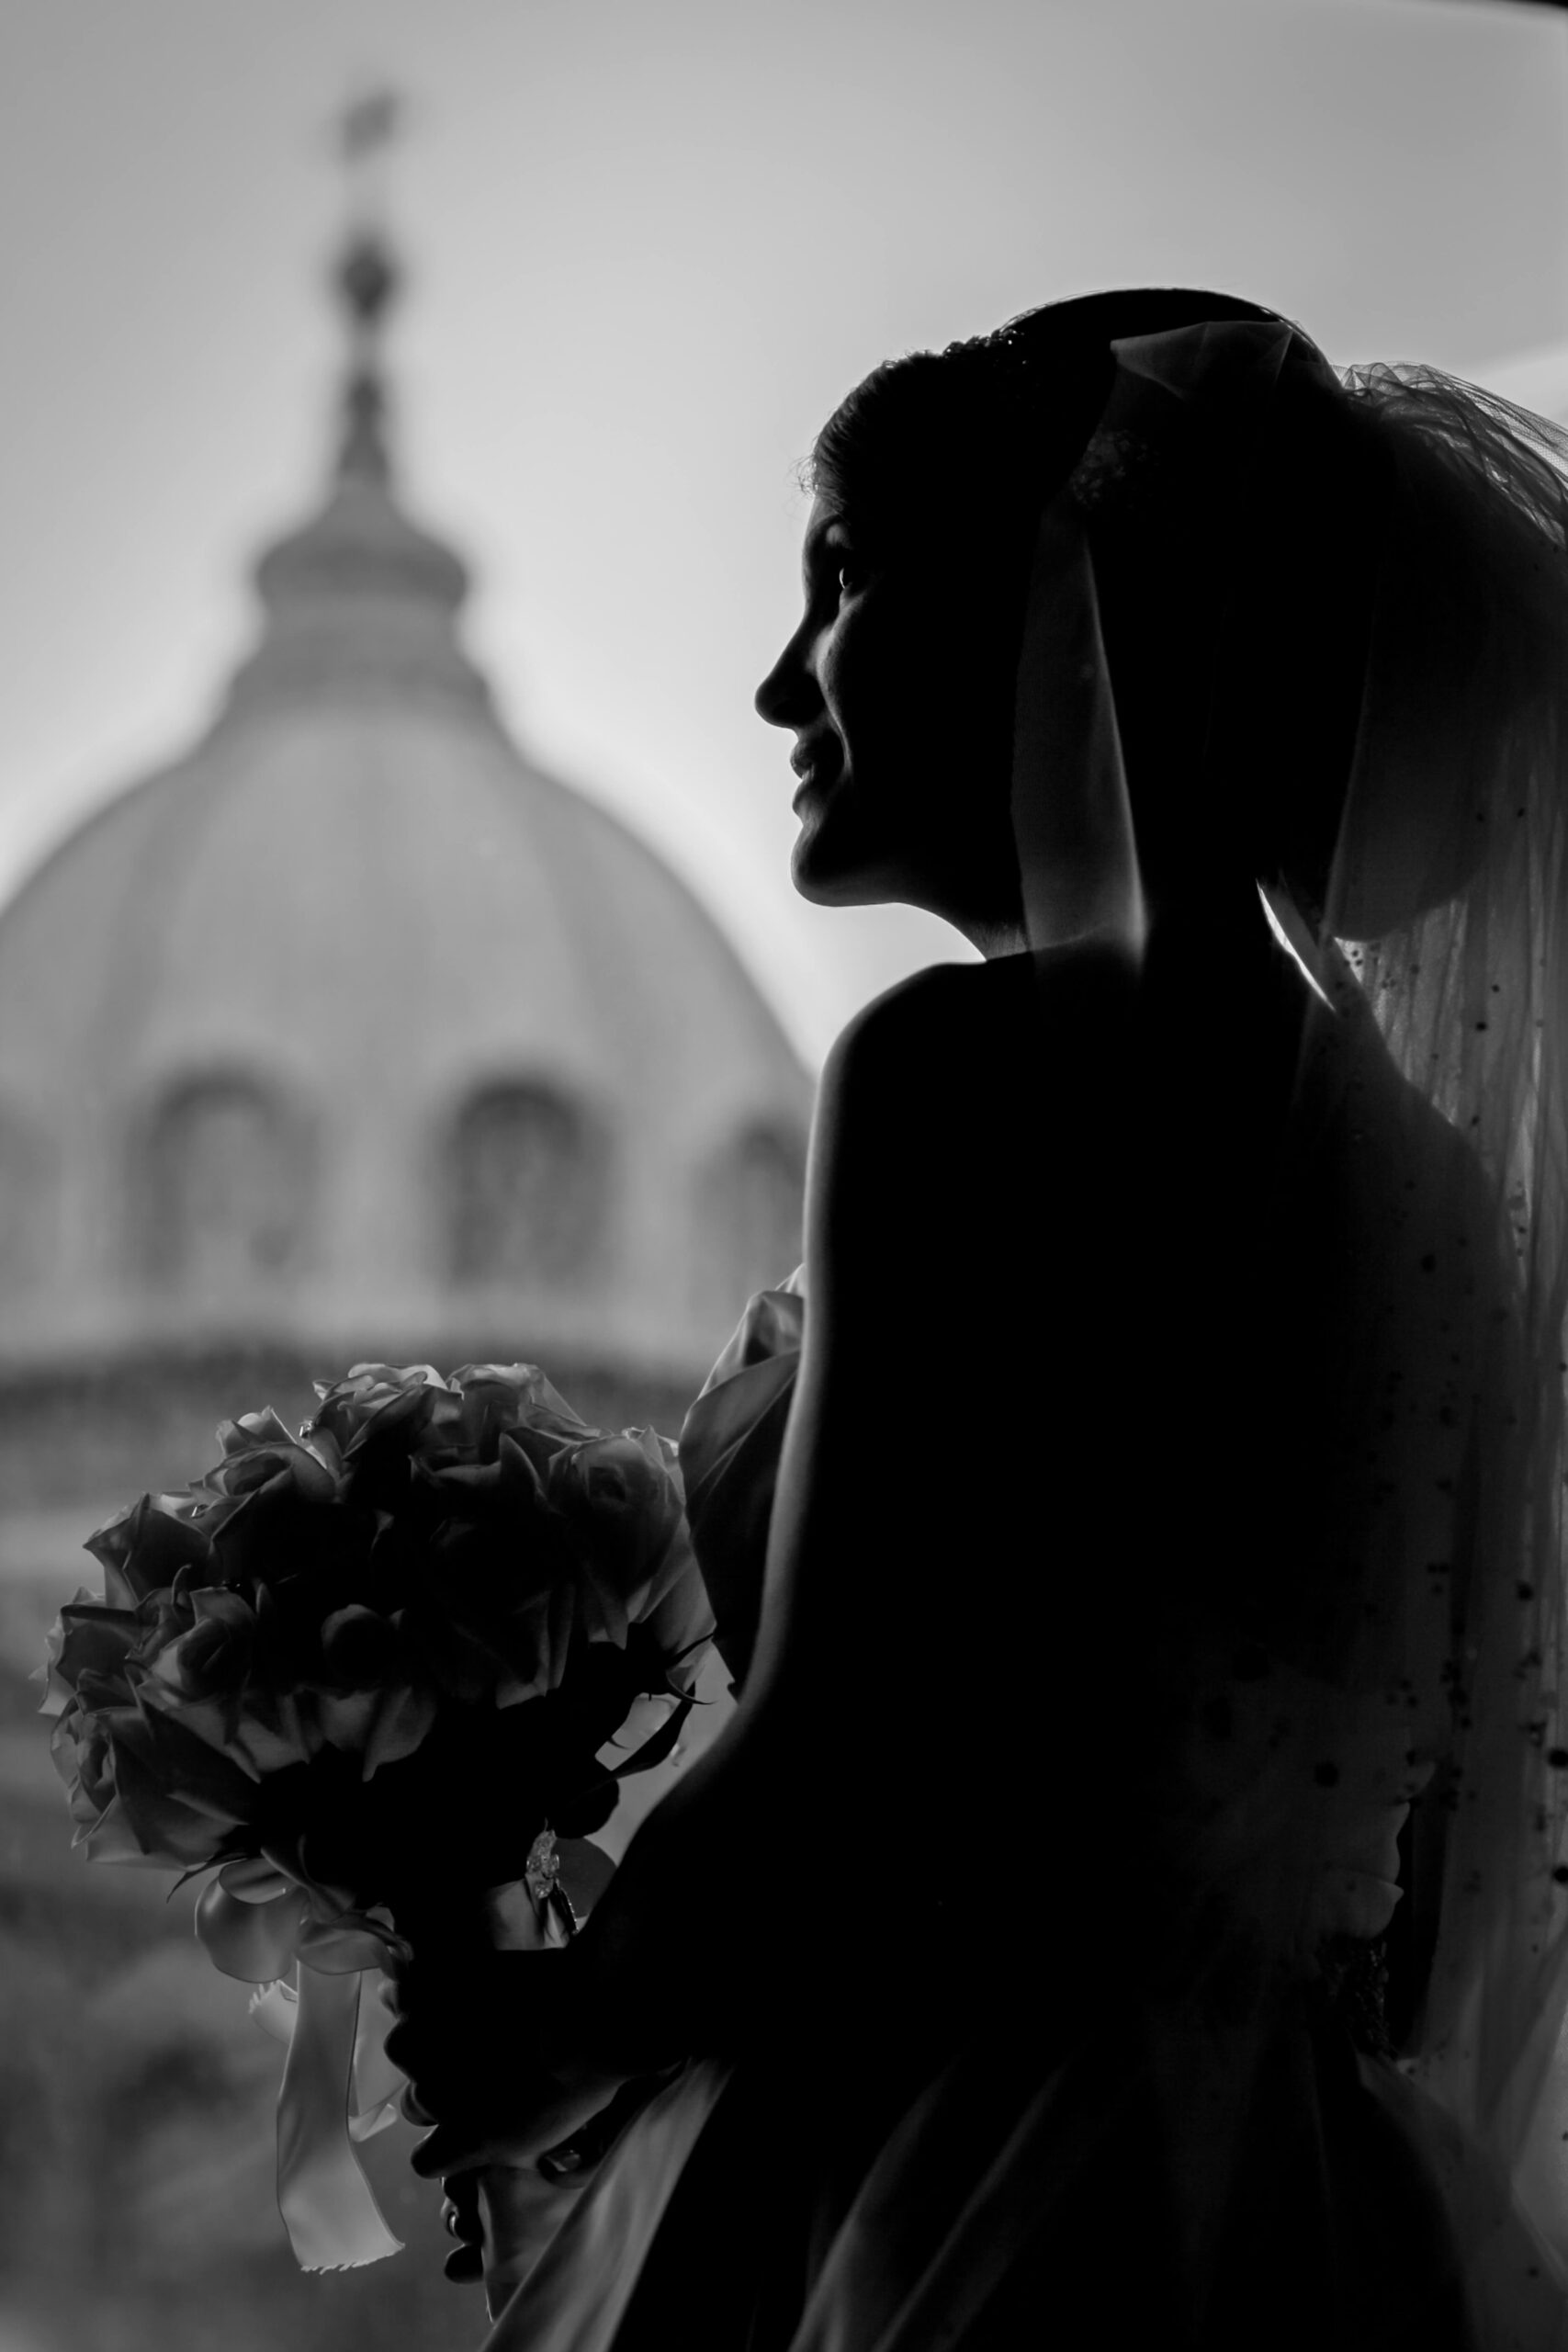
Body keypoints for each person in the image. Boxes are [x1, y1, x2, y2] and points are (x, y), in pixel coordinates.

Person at [386, 288, 1568, 2348]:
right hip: (1302, 2188)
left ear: (1059, 609)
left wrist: (555, 2038)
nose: (781, 680)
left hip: (944, 2147)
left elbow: (827, 1752)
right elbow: (1436, 1876)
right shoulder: (1440, 1194)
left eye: (843, 577)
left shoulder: (955, 1069)